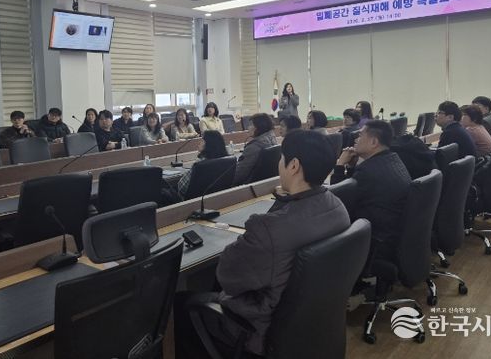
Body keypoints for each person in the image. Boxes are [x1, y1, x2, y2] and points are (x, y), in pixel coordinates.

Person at [174, 130, 350, 358]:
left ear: (294, 165)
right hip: (310, 327)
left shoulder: (269, 229)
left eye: (282, 157)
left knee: (180, 303)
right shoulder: (338, 207)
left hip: (259, 333)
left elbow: (227, 276)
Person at [331, 119, 410, 263]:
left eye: (360, 135)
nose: (356, 139)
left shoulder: (368, 171)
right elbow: (355, 188)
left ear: (374, 142)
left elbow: (337, 204)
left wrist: (340, 165)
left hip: (376, 240)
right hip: (392, 232)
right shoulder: (392, 158)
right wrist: (352, 167)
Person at [177, 130, 228, 199]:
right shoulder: (227, 160)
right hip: (219, 198)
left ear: (208, 144)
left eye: (202, 140)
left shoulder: (200, 163)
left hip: (193, 201)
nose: (199, 143)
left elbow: (182, 187)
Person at [233, 113, 278, 185]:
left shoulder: (253, 147)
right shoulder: (272, 139)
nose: (248, 127)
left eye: (251, 125)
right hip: (267, 183)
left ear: (258, 127)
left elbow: (238, 175)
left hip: (248, 186)